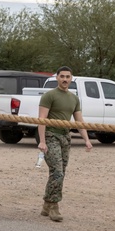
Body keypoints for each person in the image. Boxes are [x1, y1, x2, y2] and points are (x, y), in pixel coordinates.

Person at [37, 66, 92, 222]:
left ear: (71, 78)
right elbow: (41, 119)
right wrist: (42, 141)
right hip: (50, 136)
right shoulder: (49, 96)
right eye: (62, 76)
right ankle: (54, 207)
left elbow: (79, 121)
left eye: (68, 77)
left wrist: (86, 139)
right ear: (57, 78)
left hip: (65, 138)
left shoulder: (74, 98)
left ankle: (46, 205)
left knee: (58, 173)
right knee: (58, 172)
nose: (65, 79)